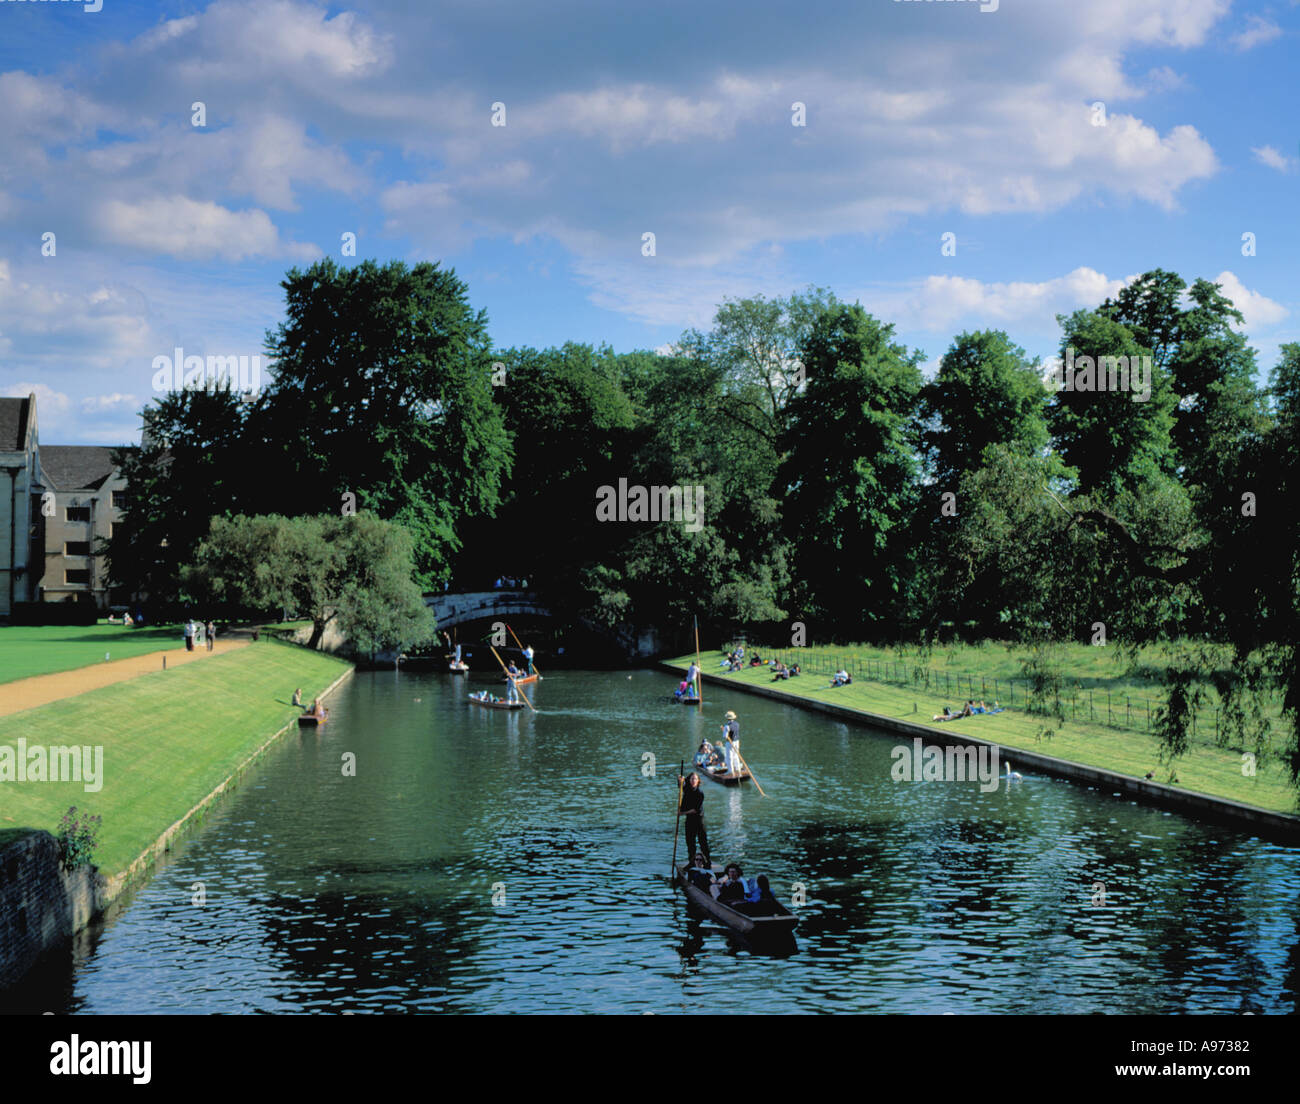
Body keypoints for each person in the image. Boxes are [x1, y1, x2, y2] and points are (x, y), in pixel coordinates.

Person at [677, 773, 710, 865]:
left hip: (699, 820)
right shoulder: (687, 789)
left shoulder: (700, 793)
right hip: (689, 820)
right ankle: (691, 863)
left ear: (698, 781)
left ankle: (708, 862)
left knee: (703, 842)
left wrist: (682, 813)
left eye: (695, 779)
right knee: (690, 843)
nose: (693, 781)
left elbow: (695, 810)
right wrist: (680, 780)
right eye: (692, 779)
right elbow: (681, 786)